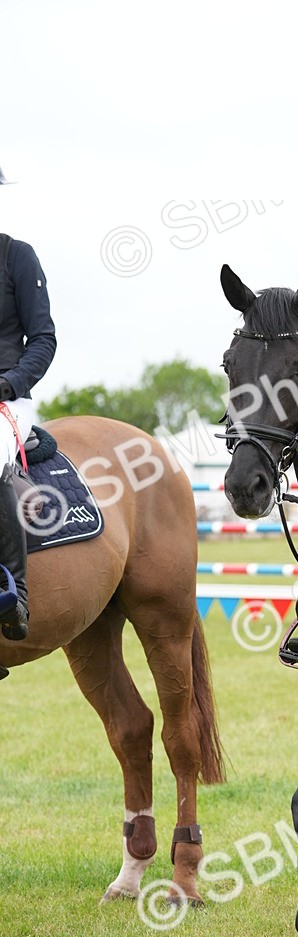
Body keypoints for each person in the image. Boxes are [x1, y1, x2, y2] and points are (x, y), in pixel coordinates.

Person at [0, 164, 57, 640]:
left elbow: (42, 339)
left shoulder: (17, 256)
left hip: (7, 400)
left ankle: (14, 595)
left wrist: (10, 381)